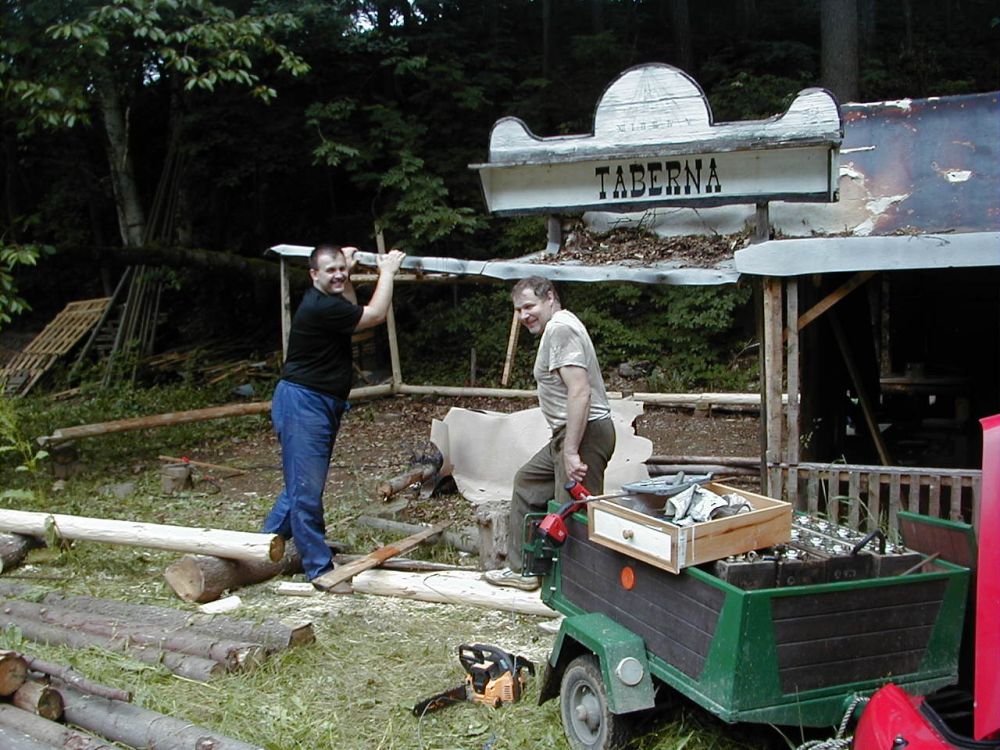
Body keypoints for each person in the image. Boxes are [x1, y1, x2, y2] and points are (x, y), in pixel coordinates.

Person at [263, 243, 405, 591]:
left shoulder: (331, 302)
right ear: (314, 274)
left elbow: (352, 311)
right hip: (303, 404)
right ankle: (319, 570)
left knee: (300, 484)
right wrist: (387, 272)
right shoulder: (319, 305)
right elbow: (374, 315)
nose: (339, 275)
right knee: (306, 491)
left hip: (319, 402)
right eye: (332, 271)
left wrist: (350, 277)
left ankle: (258, 549)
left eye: (342, 268)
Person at [484, 276, 615, 591]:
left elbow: (580, 391)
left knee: (572, 514)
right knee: (528, 483)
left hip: (585, 434)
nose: (524, 315)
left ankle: (579, 592)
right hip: (568, 434)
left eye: (529, 306)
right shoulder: (559, 327)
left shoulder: (560, 329)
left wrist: (570, 451)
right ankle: (524, 570)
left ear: (550, 298)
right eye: (518, 310)